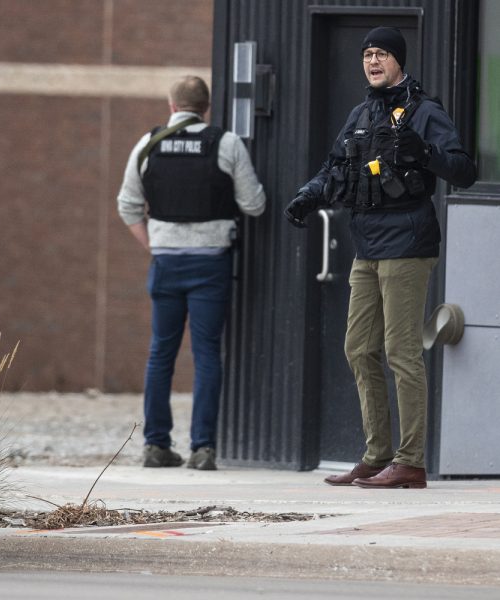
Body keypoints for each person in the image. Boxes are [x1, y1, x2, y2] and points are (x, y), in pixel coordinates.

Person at [285, 27, 475, 488]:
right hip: (366, 246)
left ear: (398, 61)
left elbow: (465, 171)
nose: (373, 61)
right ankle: (377, 454)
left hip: (407, 244)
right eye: (368, 54)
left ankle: (410, 461)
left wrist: (425, 152)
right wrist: (309, 196)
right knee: (358, 348)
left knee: (401, 352)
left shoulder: (424, 111)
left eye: (382, 54)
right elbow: (335, 168)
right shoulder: (360, 113)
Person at [117, 75, 266, 470]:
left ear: (171, 105)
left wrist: (156, 245)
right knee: (206, 355)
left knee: (160, 353)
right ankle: (203, 449)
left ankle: (155, 444)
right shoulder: (226, 143)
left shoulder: (147, 145)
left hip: (166, 263)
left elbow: (127, 206)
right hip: (210, 263)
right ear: (207, 107)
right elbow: (254, 205)